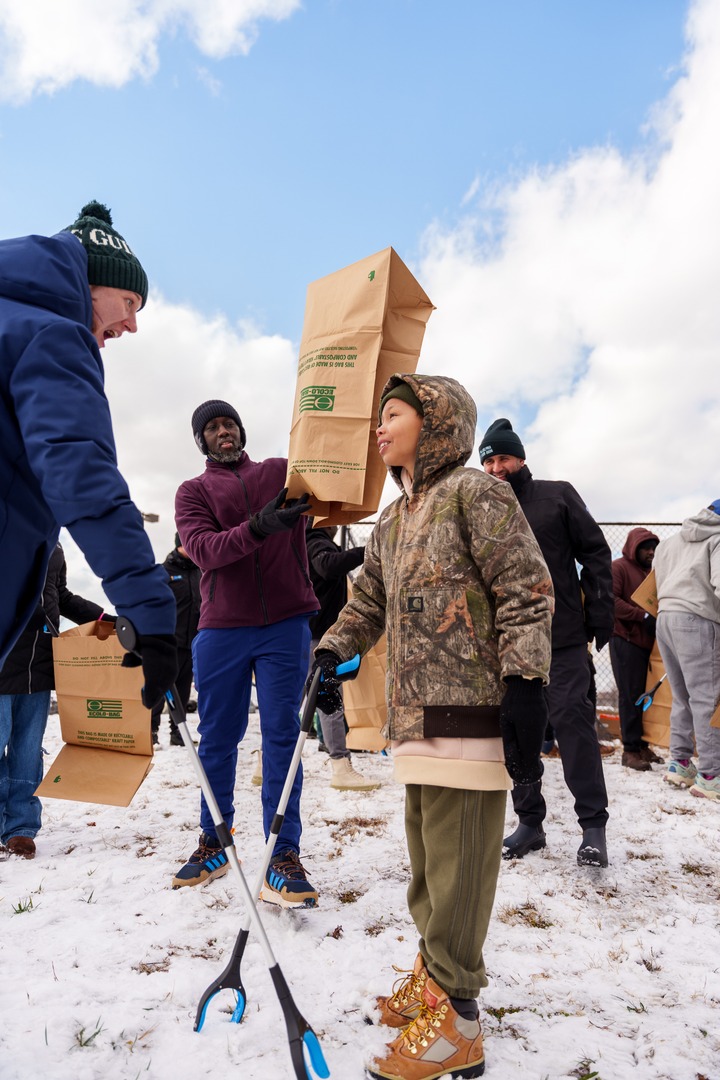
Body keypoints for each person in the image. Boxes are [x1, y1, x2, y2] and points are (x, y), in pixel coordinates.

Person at [310, 375, 553, 1080]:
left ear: (437, 422)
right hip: (415, 714)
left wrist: (525, 683)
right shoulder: (393, 519)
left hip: (475, 712)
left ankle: (459, 1022)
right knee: (428, 866)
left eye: (393, 415)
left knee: (460, 869)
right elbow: (369, 603)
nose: (379, 428)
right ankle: (434, 974)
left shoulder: (476, 493)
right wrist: (330, 651)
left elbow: (526, 590)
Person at [0, 201, 177, 708]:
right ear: (91, 284)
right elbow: (82, 476)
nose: (132, 326)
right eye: (129, 302)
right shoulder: (52, 334)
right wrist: (149, 613)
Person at [173, 400, 320, 904]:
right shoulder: (192, 492)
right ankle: (214, 840)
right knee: (218, 738)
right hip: (222, 628)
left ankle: (283, 853)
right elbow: (205, 550)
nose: (223, 432)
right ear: (202, 441)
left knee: (283, 735)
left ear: (241, 431)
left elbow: (336, 473)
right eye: (212, 427)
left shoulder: (281, 473)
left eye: (228, 424)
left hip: (285, 623)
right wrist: (261, 526)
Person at [479, 417, 614, 867]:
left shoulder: (556, 496)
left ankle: (593, 827)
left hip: (562, 637)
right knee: (516, 733)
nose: (497, 467)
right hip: (509, 643)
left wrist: (599, 614)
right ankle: (530, 824)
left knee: (573, 724)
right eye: (489, 460)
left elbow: (595, 551)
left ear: (521, 458)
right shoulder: (481, 509)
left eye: (503, 458)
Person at [0, 543, 106, 859]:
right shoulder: (10, 527)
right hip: (3, 657)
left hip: (39, 664)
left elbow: (60, 596)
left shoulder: (52, 544)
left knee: (28, 749)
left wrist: (105, 617)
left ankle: (21, 828)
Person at [653, 501, 720, 800]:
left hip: (665, 618)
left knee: (682, 696)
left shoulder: (669, 542)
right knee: (707, 698)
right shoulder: (717, 539)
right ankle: (711, 775)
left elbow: (654, 583)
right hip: (698, 619)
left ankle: (680, 763)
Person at [306, 523, 378, 790]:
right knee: (328, 696)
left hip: (311, 632)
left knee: (296, 701)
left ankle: (265, 762)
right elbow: (327, 565)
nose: (337, 524)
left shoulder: (307, 539)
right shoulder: (314, 539)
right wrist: (366, 550)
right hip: (318, 636)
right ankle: (340, 765)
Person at [609, 527, 663, 771]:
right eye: (646, 548)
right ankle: (629, 751)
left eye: (653, 548)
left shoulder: (652, 572)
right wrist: (641, 615)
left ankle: (641, 745)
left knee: (645, 695)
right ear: (634, 548)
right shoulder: (619, 567)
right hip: (625, 639)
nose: (651, 552)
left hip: (646, 642)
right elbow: (611, 601)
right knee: (630, 695)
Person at [151, 533, 201, 747]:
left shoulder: (199, 571)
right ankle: (150, 731)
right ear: (180, 545)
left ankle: (177, 733)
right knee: (159, 690)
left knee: (182, 690)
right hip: (168, 642)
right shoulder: (164, 571)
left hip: (191, 642)